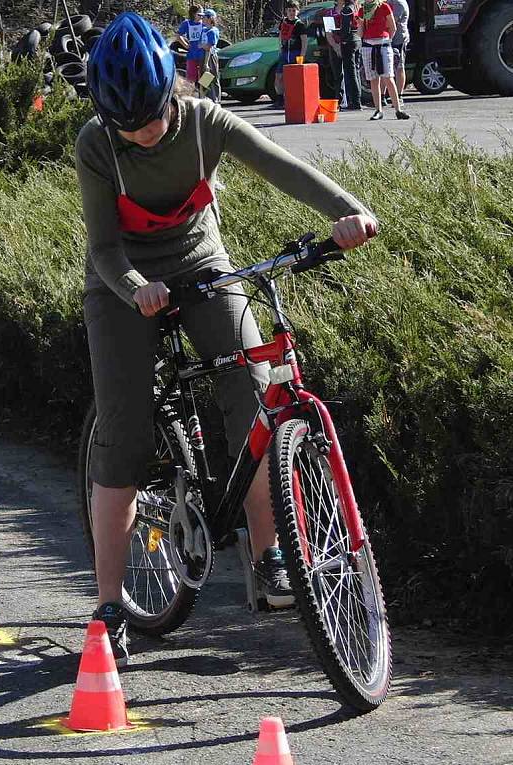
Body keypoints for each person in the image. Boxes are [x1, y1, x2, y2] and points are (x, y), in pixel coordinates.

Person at [79, 11, 376, 665]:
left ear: (171, 93)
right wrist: (134, 288)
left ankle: (269, 559)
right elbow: (102, 246)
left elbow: (281, 165)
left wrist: (346, 211)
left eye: (150, 117)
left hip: (201, 261)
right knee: (125, 436)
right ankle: (107, 607)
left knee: (254, 391)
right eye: (127, 124)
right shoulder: (97, 144)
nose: (142, 133)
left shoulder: (206, 123)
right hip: (122, 279)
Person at [358, 0, 409, 120]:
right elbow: (360, 33)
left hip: (383, 44)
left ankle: (398, 109)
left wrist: (387, 40)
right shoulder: (363, 9)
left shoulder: (384, 7)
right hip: (368, 45)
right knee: (373, 79)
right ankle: (378, 110)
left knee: (388, 77)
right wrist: (359, 23)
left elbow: (393, 27)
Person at [274, 1, 307, 110]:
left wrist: (302, 55)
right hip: (284, 53)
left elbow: (304, 41)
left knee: (295, 78)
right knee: (279, 77)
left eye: (294, 10)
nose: (291, 13)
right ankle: (280, 99)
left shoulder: (300, 25)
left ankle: (295, 100)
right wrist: (280, 48)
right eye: (289, 10)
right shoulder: (283, 22)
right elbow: (280, 36)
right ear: (286, 11)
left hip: (295, 53)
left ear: (297, 11)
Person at [340, 0, 363, 109]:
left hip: (349, 41)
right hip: (357, 39)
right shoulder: (357, 7)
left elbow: (345, 26)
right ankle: (357, 100)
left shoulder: (347, 8)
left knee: (350, 71)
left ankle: (355, 101)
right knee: (356, 70)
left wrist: (343, 39)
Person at [324, 0, 345, 107]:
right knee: (337, 75)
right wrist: (336, 47)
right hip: (334, 46)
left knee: (351, 74)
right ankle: (339, 99)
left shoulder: (350, 9)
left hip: (348, 46)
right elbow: (328, 33)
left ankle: (352, 100)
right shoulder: (330, 13)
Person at [177, 4, 205, 85]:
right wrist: (185, 45)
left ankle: (204, 92)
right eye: (199, 14)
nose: (201, 16)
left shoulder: (205, 23)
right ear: (193, 14)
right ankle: (191, 93)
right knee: (191, 77)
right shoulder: (187, 23)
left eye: (202, 14)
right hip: (192, 54)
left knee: (206, 75)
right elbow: (178, 36)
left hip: (204, 53)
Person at [389, 0, 410, 103]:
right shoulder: (389, 1)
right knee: (388, 68)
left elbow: (392, 20)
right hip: (390, 38)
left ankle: (399, 95)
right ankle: (384, 96)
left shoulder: (399, 3)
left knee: (399, 67)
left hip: (399, 39)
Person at [200, 8, 221, 103]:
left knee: (212, 77)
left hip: (210, 57)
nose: (202, 19)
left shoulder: (213, 31)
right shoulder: (204, 30)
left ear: (210, 18)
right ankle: (204, 98)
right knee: (204, 78)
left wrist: (206, 63)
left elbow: (208, 47)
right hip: (203, 55)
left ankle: (216, 100)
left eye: (204, 17)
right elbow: (201, 44)